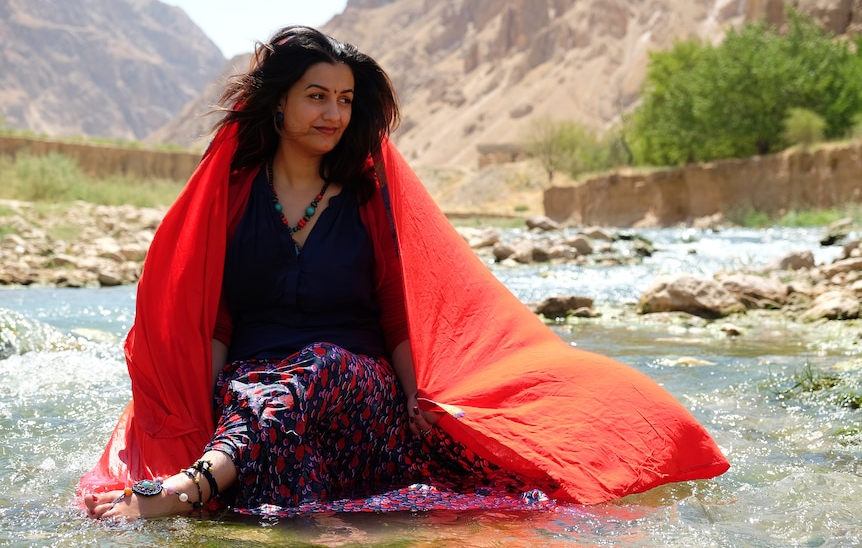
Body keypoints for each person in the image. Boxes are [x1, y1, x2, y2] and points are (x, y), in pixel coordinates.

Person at [81, 26, 729, 519]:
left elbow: (399, 307)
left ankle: (186, 487)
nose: (333, 112)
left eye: (343, 99)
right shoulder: (234, 194)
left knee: (322, 366)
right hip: (255, 382)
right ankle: (241, 475)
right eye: (316, 97)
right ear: (278, 104)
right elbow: (213, 314)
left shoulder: (368, 200)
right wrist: (198, 400)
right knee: (278, 439)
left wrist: (420, 395)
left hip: (359, 382)